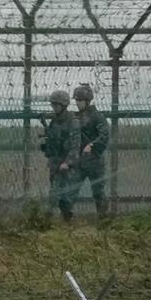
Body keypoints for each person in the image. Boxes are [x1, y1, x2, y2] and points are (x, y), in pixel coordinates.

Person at [66, 83, 111, 218]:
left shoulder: (97, 116)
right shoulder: (75, 117)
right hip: (79, 160)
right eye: (76, 100)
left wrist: (92, 145)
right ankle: (66, 218)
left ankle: (103, 219)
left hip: (94, 160)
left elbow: (104, 135)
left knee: (98, 191)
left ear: (87, 101)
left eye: (80, 100)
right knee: (72, 189)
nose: (77, 103)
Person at [39, 89, 77, 220]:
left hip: (65, 162)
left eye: (56, 105)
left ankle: (47, 217)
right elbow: (52, 140)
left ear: (64, 105)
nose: (54, 107)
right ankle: (67, 217)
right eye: (53, 105)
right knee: (61, 192)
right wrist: (46, 145)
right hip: (55, 161)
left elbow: (75, 145)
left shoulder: (72, 121)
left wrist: (68, 162)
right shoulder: (54, 121)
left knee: (56, 191)